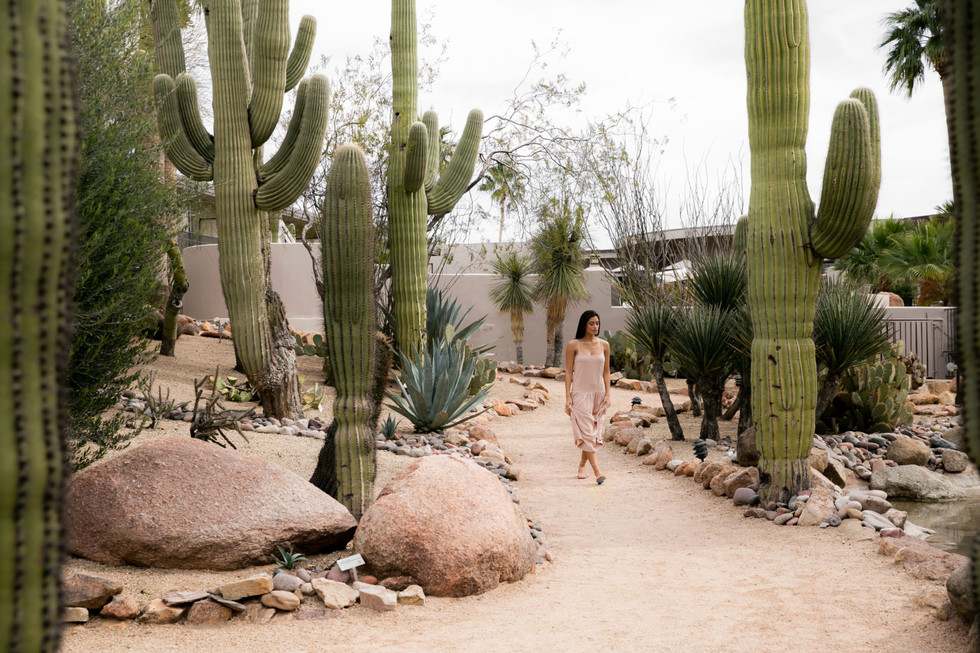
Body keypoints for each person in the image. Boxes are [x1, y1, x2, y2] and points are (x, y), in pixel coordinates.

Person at [564, 310, 611, 484]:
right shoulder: (573, 344)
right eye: (591, 323)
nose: (595, 326)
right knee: (586, 433)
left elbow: (606, 372)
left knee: (592, 433)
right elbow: (568, 372)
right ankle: (597, 471)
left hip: (599, 394)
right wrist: (568, 396)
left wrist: (608, 394)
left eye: (597, 323)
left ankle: (582, 466)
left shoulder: (604, 345)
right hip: (580, 394)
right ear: (583, 325)